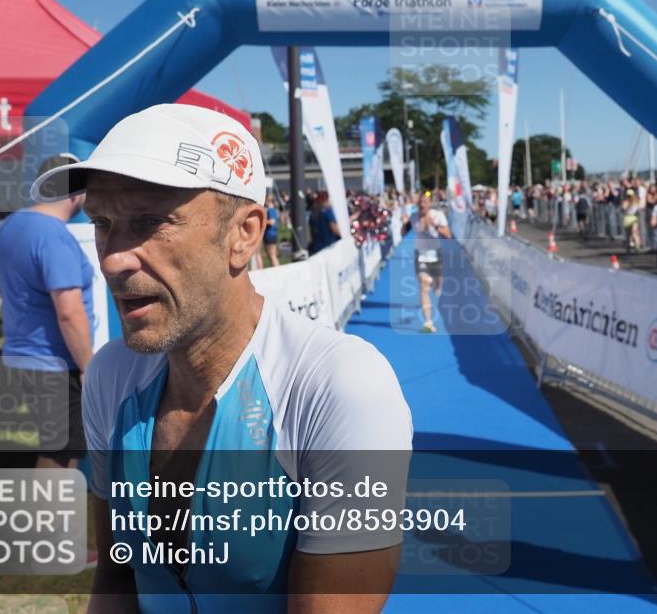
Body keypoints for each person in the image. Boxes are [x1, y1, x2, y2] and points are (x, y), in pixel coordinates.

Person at [31, 104, 412, 613]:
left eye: (150, 221)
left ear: (244, 234)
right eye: (102, 222)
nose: (112, 258)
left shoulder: (340, 385)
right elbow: (117, 581)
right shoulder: (110, 375)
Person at [0, 153, 94, 470]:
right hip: (52, 361)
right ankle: (50, 521)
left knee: (63, 448)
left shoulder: (11, 225)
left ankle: (59, 519)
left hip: (23, 353)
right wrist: (88, 364)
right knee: (60, 453)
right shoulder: (53, 237)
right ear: (76, 193)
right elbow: (69, 312)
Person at [413, 191, 452, 334]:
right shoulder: (414, 217)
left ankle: (437, 285)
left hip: (436, 256)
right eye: (420, 202)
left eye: (424, 201)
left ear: (430, 203)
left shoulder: (438, 215)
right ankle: (428, 322)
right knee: (424, 286)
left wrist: (434, 226)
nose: (422, 204)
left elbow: (448, 235)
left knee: (437, 285)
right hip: (420, 256)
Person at [307, 190, 340, 254]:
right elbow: (335, 230)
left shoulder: (313, 214)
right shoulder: (328, 212)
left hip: (317, 247)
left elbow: (311, 232)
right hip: (330, 246)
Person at [262, 193, 280, 267]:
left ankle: (277, 272)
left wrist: (263, 221)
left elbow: (272, 222)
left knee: (272, 256)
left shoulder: (271, 210)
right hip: (270, 234)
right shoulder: (272, 210)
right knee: (271, 256)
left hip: (270, 235)